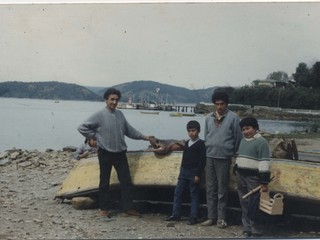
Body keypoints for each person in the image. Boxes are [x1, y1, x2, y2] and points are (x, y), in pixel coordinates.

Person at [77, 88, 153, 218]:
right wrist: (96, 136)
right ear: (106, 100)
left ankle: (128, 208)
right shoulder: (99, 115)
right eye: (111, 99)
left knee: (126, 181)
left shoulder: (120, 115)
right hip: (105, 153)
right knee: (104, 182)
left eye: (116, 100)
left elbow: (130, 131)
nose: (114, 102)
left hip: (120, 153)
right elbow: (81, 127)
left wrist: (145, 137)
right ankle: (104, 209)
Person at [201, 89, 243, 229]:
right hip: (209, 156)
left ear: (227, 104)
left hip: (224, 158)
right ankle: (210, 217)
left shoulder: (234, 118)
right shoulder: (208, 118)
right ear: (214, 104)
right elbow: (206, 136)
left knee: (222, 190)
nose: (219, 106)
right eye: (217, 104)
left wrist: (230, 152)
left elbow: (238, 139)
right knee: (210, 188)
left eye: (222, 103)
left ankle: (221, 218)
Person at [164, 120, 206, 225]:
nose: (191, 133)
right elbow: (184, 158)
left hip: (194, 172)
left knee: (194, 194)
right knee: (178, 193)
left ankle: (193, 217)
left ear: (198, 131)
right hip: (184, 171)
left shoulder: (201, 144)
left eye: (194, 131)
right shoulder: (187, 143)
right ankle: (176, 215)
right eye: (189, 131)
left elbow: (202, 161)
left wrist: (198, 174)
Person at [234, 117, 271, 238]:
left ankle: (256, 230)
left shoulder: (262, 142)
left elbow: (264, 163)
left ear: (255, 128)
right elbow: (240, 157)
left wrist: (264, 181)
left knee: (254, 204)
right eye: (243, 129)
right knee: (243, 202)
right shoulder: (243, 140)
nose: (246, 132)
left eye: (248, 128)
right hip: (241, 176)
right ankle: (247, 227)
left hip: (254, 178)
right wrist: (236, 167)